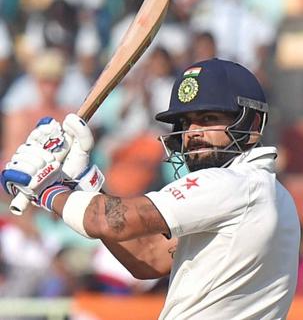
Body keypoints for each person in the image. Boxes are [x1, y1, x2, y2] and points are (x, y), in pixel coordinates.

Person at [1, 58, 300, 319]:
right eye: (187, 122)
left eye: (208, 119)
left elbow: (106, 221)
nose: (193, 134)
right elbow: (148, 257)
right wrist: (81, 180)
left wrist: (46, 187)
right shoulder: (269, 194)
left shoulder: (233, 184)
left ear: (252, 123)